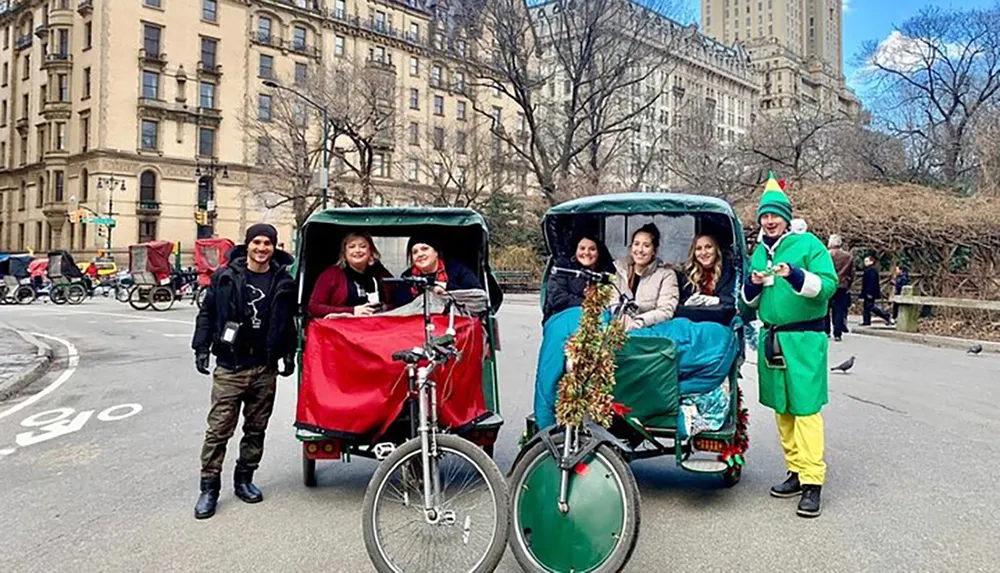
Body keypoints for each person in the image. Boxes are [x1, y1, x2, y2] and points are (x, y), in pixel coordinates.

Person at [743, 173, 837, 518]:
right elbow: (748, 303)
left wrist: (795, 274)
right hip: (772, 337)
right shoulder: (757, 252)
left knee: (806, 410)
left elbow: (828, 286)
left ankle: (813, 483)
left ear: (785, 216)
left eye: (774, 215)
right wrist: (753, 286)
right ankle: (796, 472)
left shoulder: (810, 245)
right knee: (782, 408)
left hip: (804, 338)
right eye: (764, 216)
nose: (768, 220)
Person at [191, 223, 297, 520]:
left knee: (256, 429)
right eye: (257, 242)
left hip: (264, 367)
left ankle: (244, 479)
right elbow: (208, 313)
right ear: (247, 245)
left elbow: (288, 321)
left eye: (268, 244)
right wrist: (201, 347)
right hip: (231, 365)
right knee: (218, 430)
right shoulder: (226, 276)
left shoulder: (282, 280)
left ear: (274, 247)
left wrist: (288, 354)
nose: (262, 248)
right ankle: (209, 487)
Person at [307, 232, 393, 318]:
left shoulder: (382, 274)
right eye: (352, 247)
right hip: (342, 328)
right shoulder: (331, 275)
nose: (357, 250)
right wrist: (352, 311)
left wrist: (384, 308)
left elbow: (399, 303)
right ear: (344, 253)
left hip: (379, 326)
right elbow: (314, 307)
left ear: (371, 251)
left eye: (363, 246)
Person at [613, 223, 678, 330]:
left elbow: (666, 311)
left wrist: (639, 322)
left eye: (646, 246)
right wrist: (621, 317)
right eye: (636, 244)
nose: (640, 250)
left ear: (654, 251)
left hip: (650, 330)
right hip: (619, 326)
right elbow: (612, 300)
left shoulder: (666, 275)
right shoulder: (621, 270)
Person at [393, 234, 483, 307]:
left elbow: (477, 296)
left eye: (425, 249)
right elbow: (401, 306)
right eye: (415, 252)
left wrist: (447, 288)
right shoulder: (407, 277)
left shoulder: (458, 269)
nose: (420, 254)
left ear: (436, 252)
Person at [543, 233, 615, 324]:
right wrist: (588, 303)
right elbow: (557, 298)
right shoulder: (563, 268)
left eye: (592, 249)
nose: (586, 253)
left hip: (597, 320)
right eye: (582, 248)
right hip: (563, 318)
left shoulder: (606, 273)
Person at [679, 234, 735, 308]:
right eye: (698, 248)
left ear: (716, 249)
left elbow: (734, 299)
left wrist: (718, 300)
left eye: (708, 247)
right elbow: (680, 300)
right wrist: (687, 303)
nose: (704, 252)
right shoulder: (687, 274)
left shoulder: (729, 271)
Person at [825, 234, 854, 341]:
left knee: (825, 309)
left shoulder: (826, 255)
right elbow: (851, 273)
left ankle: (826, 330)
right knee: (839, 310)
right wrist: (849, 284)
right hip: (842, 285)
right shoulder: (848, 256)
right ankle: (837, 333)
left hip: (828, 284)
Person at [861, 256, 893, 326]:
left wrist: (869, 292)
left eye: (867, 261)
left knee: (870, 306)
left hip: (870, 292)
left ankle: (885, 315)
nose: (865, 263)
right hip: (868, 291)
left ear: (871, 262)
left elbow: (871, 283)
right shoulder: (869, 270)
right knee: (866, 306)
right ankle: (866, 321)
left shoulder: (871, 270)